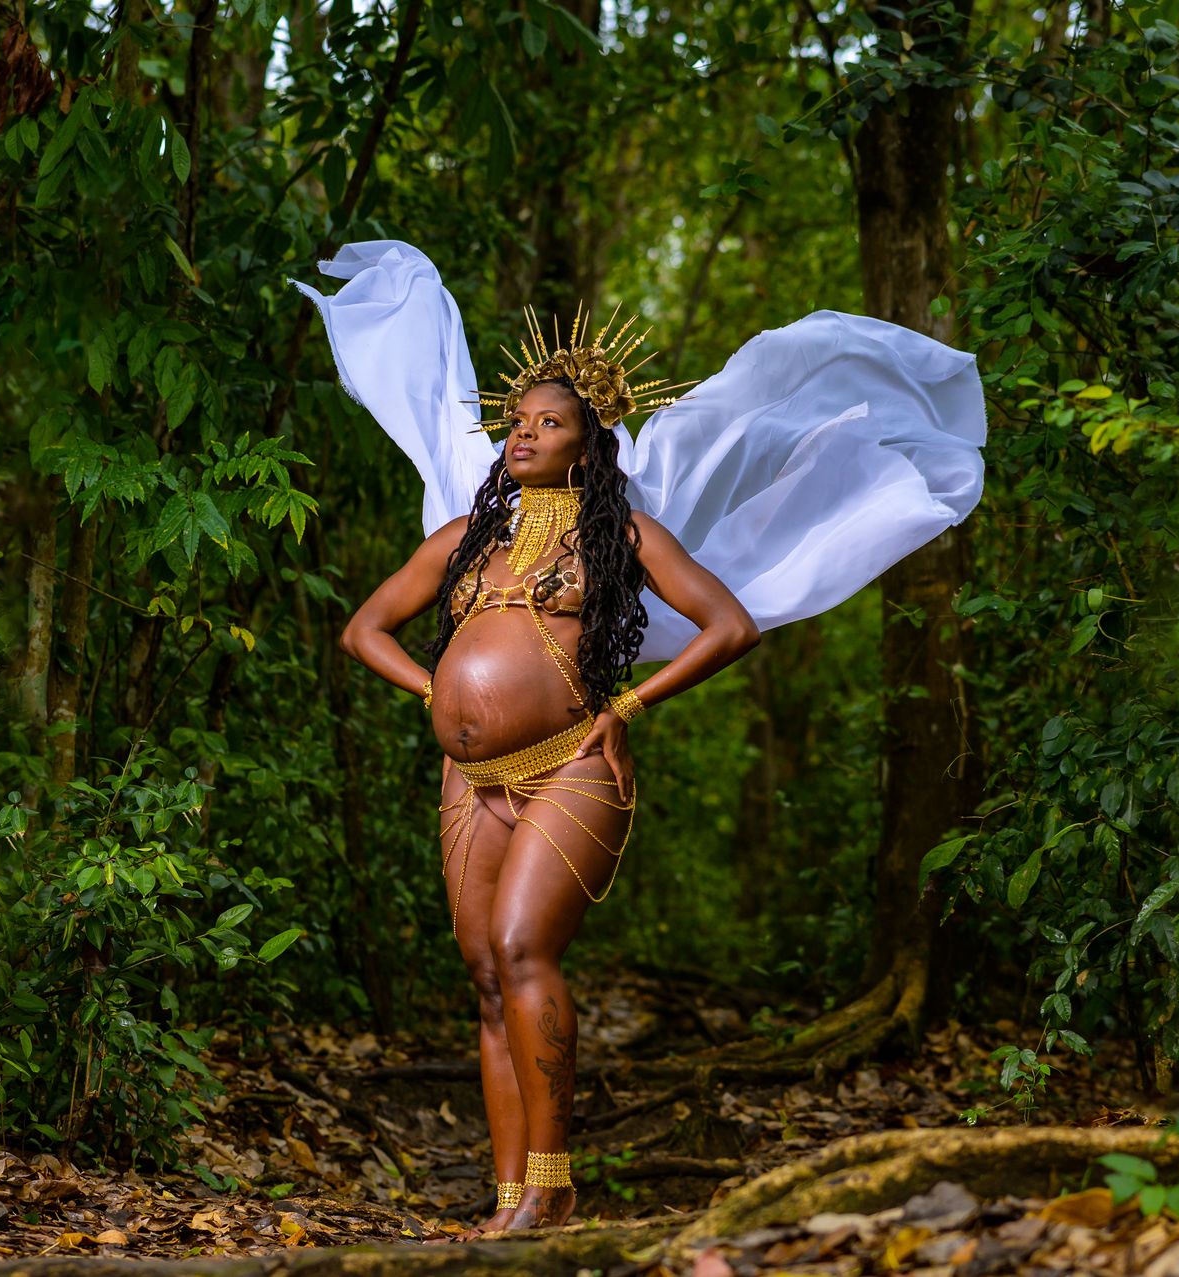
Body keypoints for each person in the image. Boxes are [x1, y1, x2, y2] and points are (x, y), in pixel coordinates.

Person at [296, 241, 987, 1238]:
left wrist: (626, 708)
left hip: (570, 767)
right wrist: (435, 689)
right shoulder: (462, 538)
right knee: (485, 974)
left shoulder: (620, 536)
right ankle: (506, 1201)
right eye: (517, 421)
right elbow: (364, 628)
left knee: (525, 947)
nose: (523, 434)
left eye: (548, 423)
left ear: (587, 443)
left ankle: (554, 1184)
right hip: (470, 775)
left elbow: (729, 624)